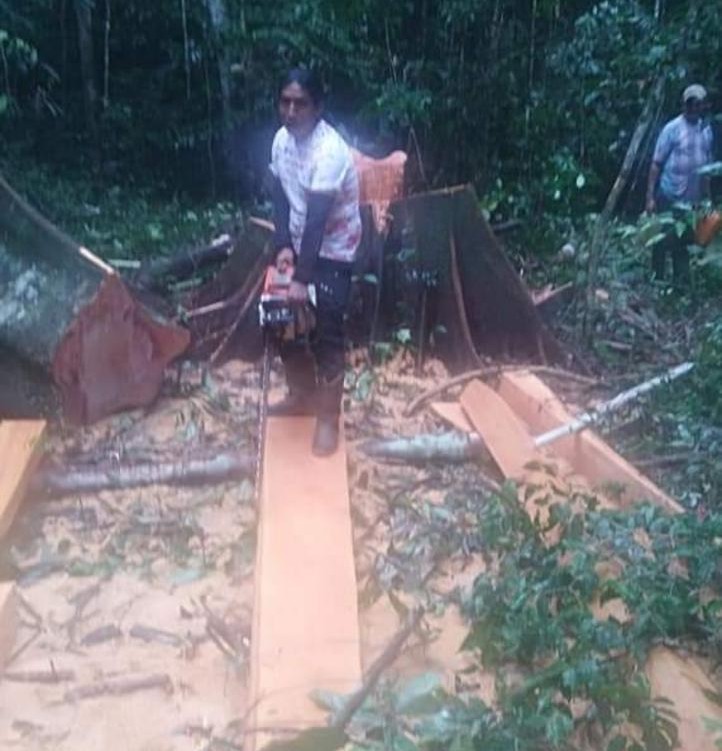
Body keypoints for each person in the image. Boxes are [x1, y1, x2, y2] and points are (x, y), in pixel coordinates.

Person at [267, 68, 362, 456]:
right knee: (280, 320)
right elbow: (279, 195)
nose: (291, 111)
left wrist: (302, 281)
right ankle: (301, 395)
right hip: (300, 241)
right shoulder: (280, 142)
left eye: (300, 103)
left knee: (327, 331)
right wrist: (282, 246)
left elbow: (319, 220)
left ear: (317, 107)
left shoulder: (330, 152)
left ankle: (328, 419)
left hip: (334, 248)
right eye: (285, 102)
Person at [645, 83, 714, 286]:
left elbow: (706, 168)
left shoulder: (705, 130)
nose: (694, 108)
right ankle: (657, 279)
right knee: (662, 239)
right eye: (690, 104)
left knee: (683, 241)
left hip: (691, 200)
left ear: (703, 105)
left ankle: (680, 284)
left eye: (698, 104)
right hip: (669, 194)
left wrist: (707, 199)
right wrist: (649, 197)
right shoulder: (672, 129)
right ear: (685, 105)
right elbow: (656, 164)